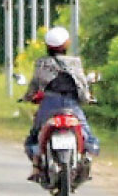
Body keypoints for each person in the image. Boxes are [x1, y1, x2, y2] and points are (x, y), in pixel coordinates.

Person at [22, 26, 99, 181]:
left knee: (34, 135)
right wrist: (87, 99)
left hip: (49, 104)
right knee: (89, 137)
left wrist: (27, 97)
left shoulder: (42, 63)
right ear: (66, 44)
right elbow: (82, 84)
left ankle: (36, 167)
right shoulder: (75, 62)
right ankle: (87, 157)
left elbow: (35, 85)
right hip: (71, 105)